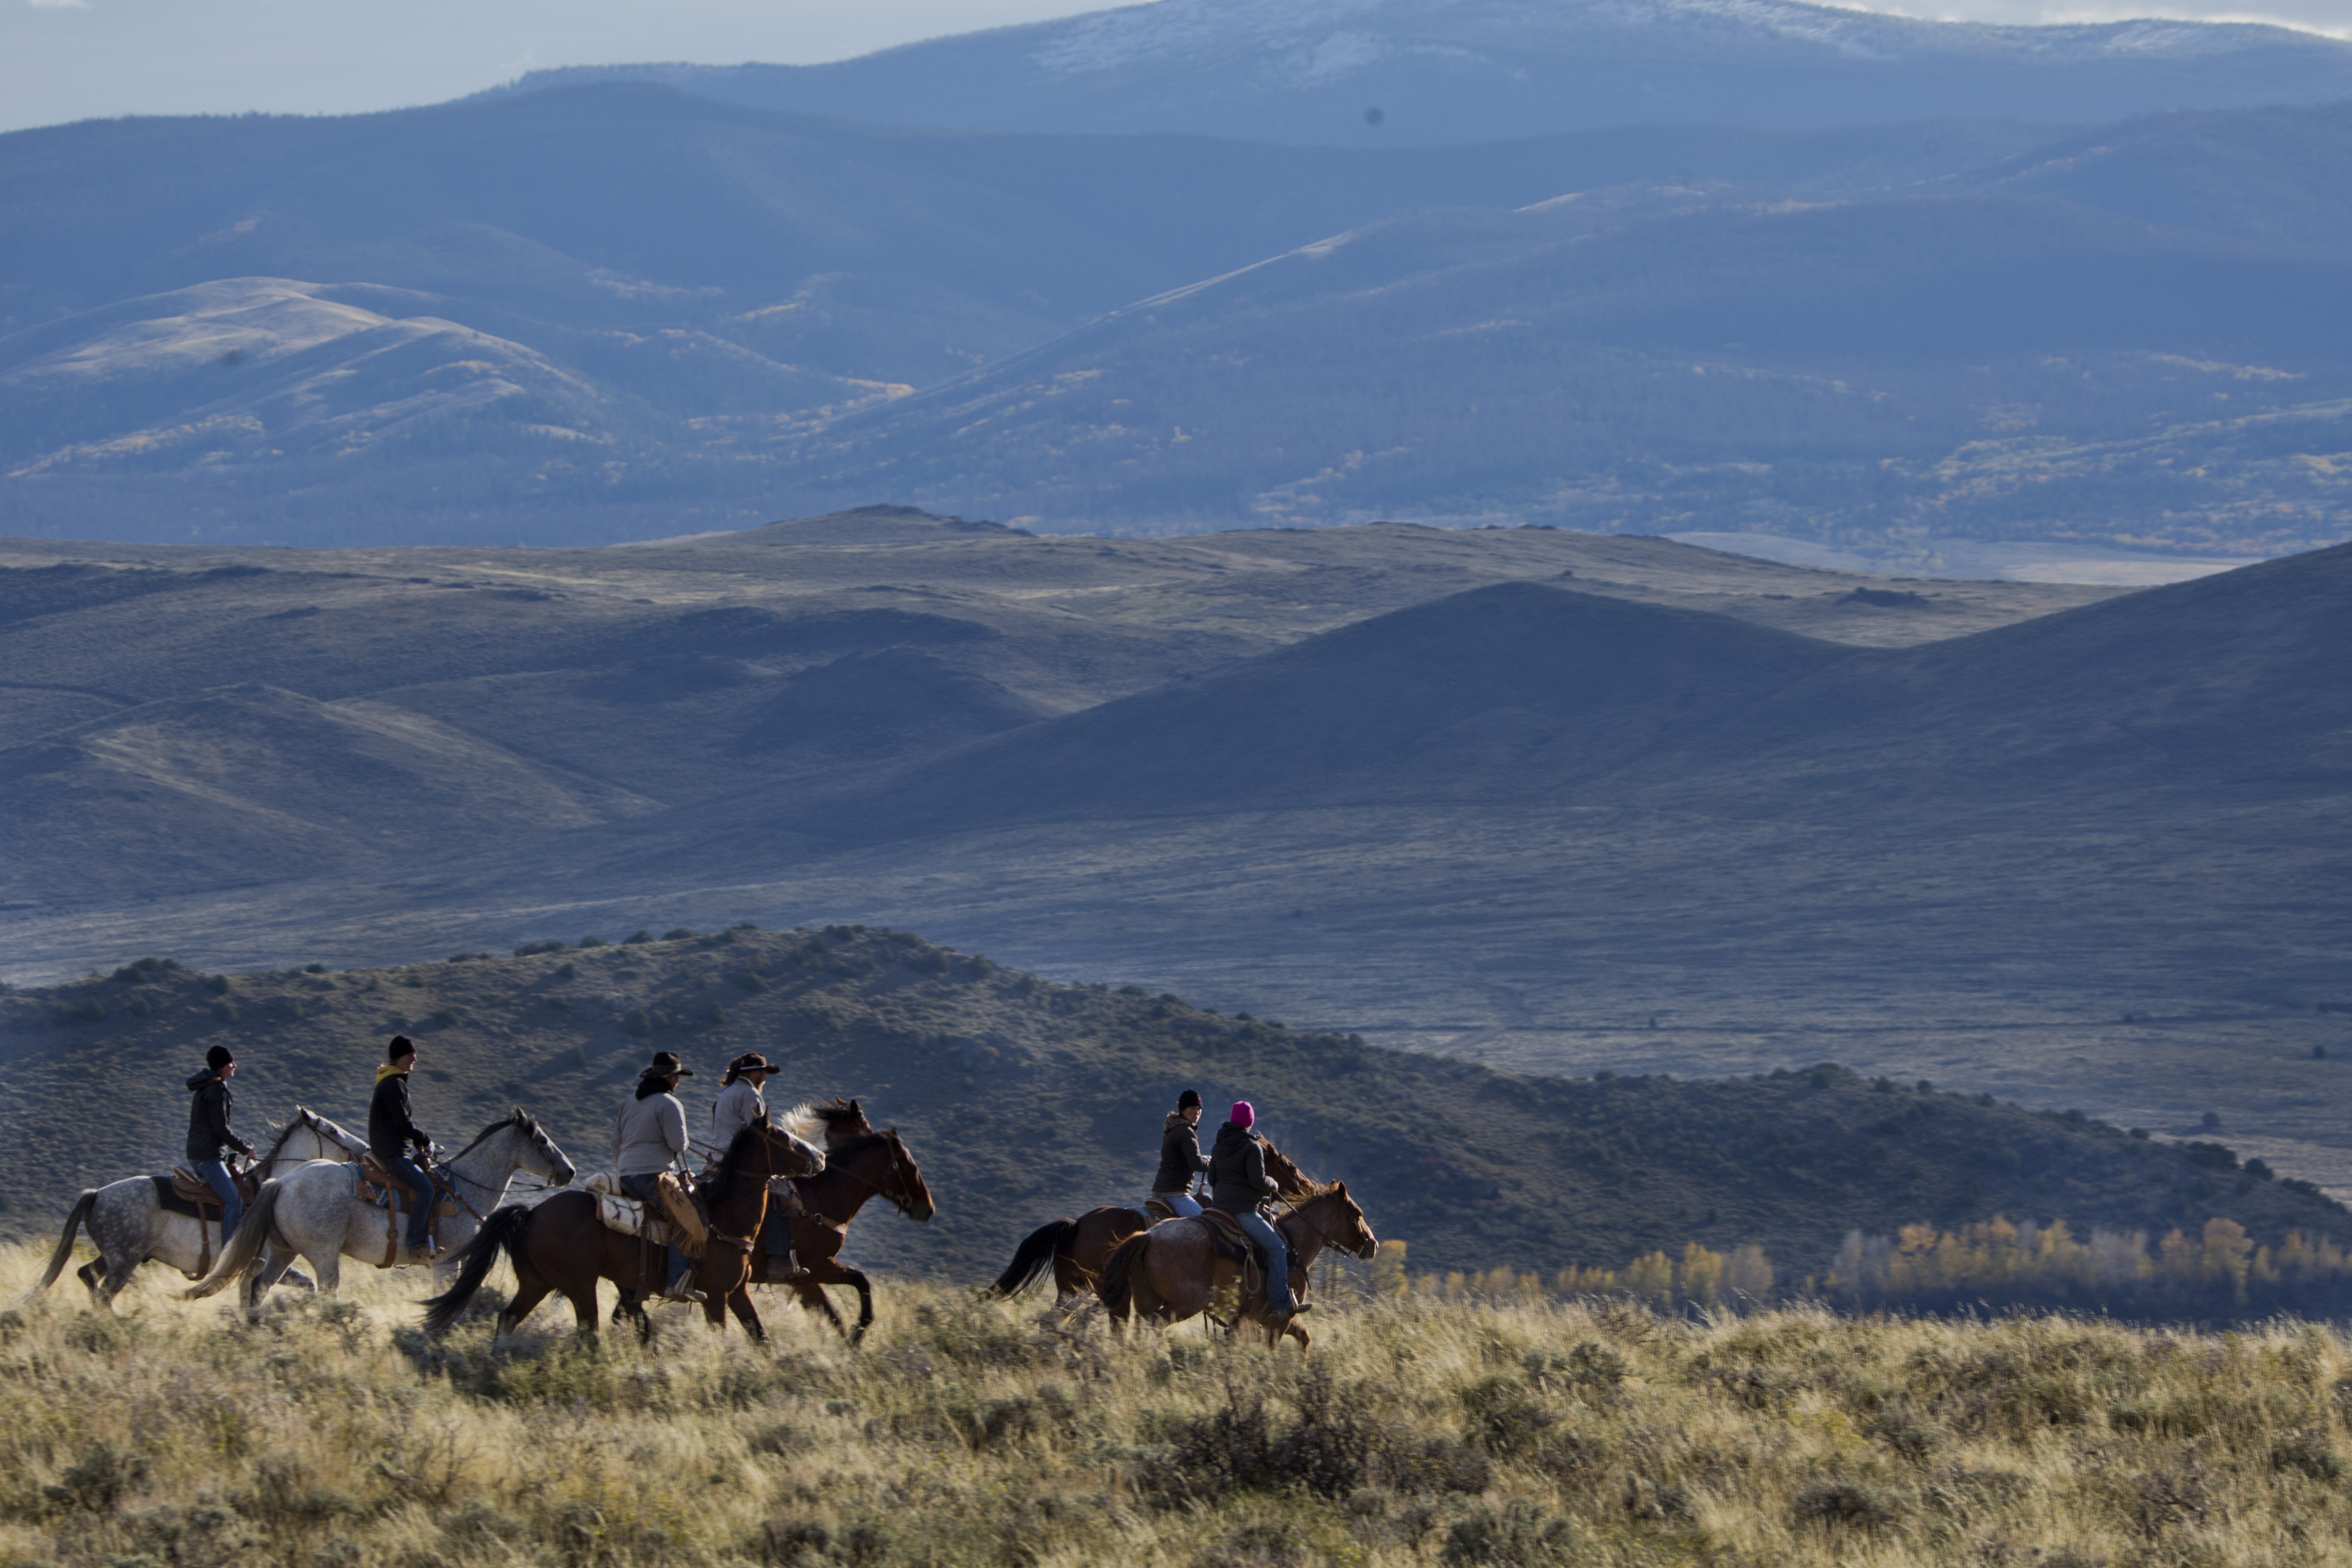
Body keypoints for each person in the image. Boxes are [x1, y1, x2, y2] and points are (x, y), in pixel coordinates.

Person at [1207, 1099, 1307, 1316]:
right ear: (1249, 1123)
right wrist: (1274, 1183)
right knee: (1278, 1250)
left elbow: (1212, 1179)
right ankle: (1280, 1303)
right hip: (1243, 1212)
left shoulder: (1218, 1146)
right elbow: (1258, 1181)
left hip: (1218, 1210)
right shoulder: (1252, 1147)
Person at [614, 1051, 697, 1301]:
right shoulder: (670, 1104)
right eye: (677, 1077)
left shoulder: (630, 1102)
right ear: (671, 1078)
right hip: (652, 1176)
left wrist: (624, 1167)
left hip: (625, 1175)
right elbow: (678, 1143)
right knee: (685, 1222)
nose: (678, 1082)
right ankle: (675, 1284)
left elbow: (615, 1141)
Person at [369, 1036, 439, 1260]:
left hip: (394, 1149)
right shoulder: (394, 1085)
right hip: (393, 1153)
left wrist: (419, 1143)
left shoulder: (391, 1081)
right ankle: (415, 1243)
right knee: (426, 1188)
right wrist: (425, 1139)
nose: (414, 1059)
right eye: (410, 1055)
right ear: (399, 1057)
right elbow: (402, 1124)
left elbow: (401, 1124)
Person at [185, 1045, 256, 1242]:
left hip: (202, 1154)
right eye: (230, 1062)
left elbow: (215, 1130)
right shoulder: (215, 1090)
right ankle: (229, 1255)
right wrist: (245, 1149)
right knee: (234, 1200)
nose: (234, 1065)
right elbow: (220, 1129)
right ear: (221, 1066)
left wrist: (230, 1154)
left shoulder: (208, 1086)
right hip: (206, 1157)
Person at [707, 1052, 778, 1172]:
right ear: (756, 1073)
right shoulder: (751, 1093)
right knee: (783, 1189)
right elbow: (760, 1132)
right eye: (764, 1074)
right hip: (737, 1159)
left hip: (718, 1156)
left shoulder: (727, 1092)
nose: (765, 1080)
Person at [1149, 1089, 1208, 1218]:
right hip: (1176, 1195)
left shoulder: (1173, 1129)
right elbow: (1197, 1163)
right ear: (1183, 1110)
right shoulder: (1186, 1131)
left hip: (1159, 1191)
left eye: (1199, 1109)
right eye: (1192, 1108)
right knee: (1209, 1224)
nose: (1196, 1113)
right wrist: (1215, 1163)